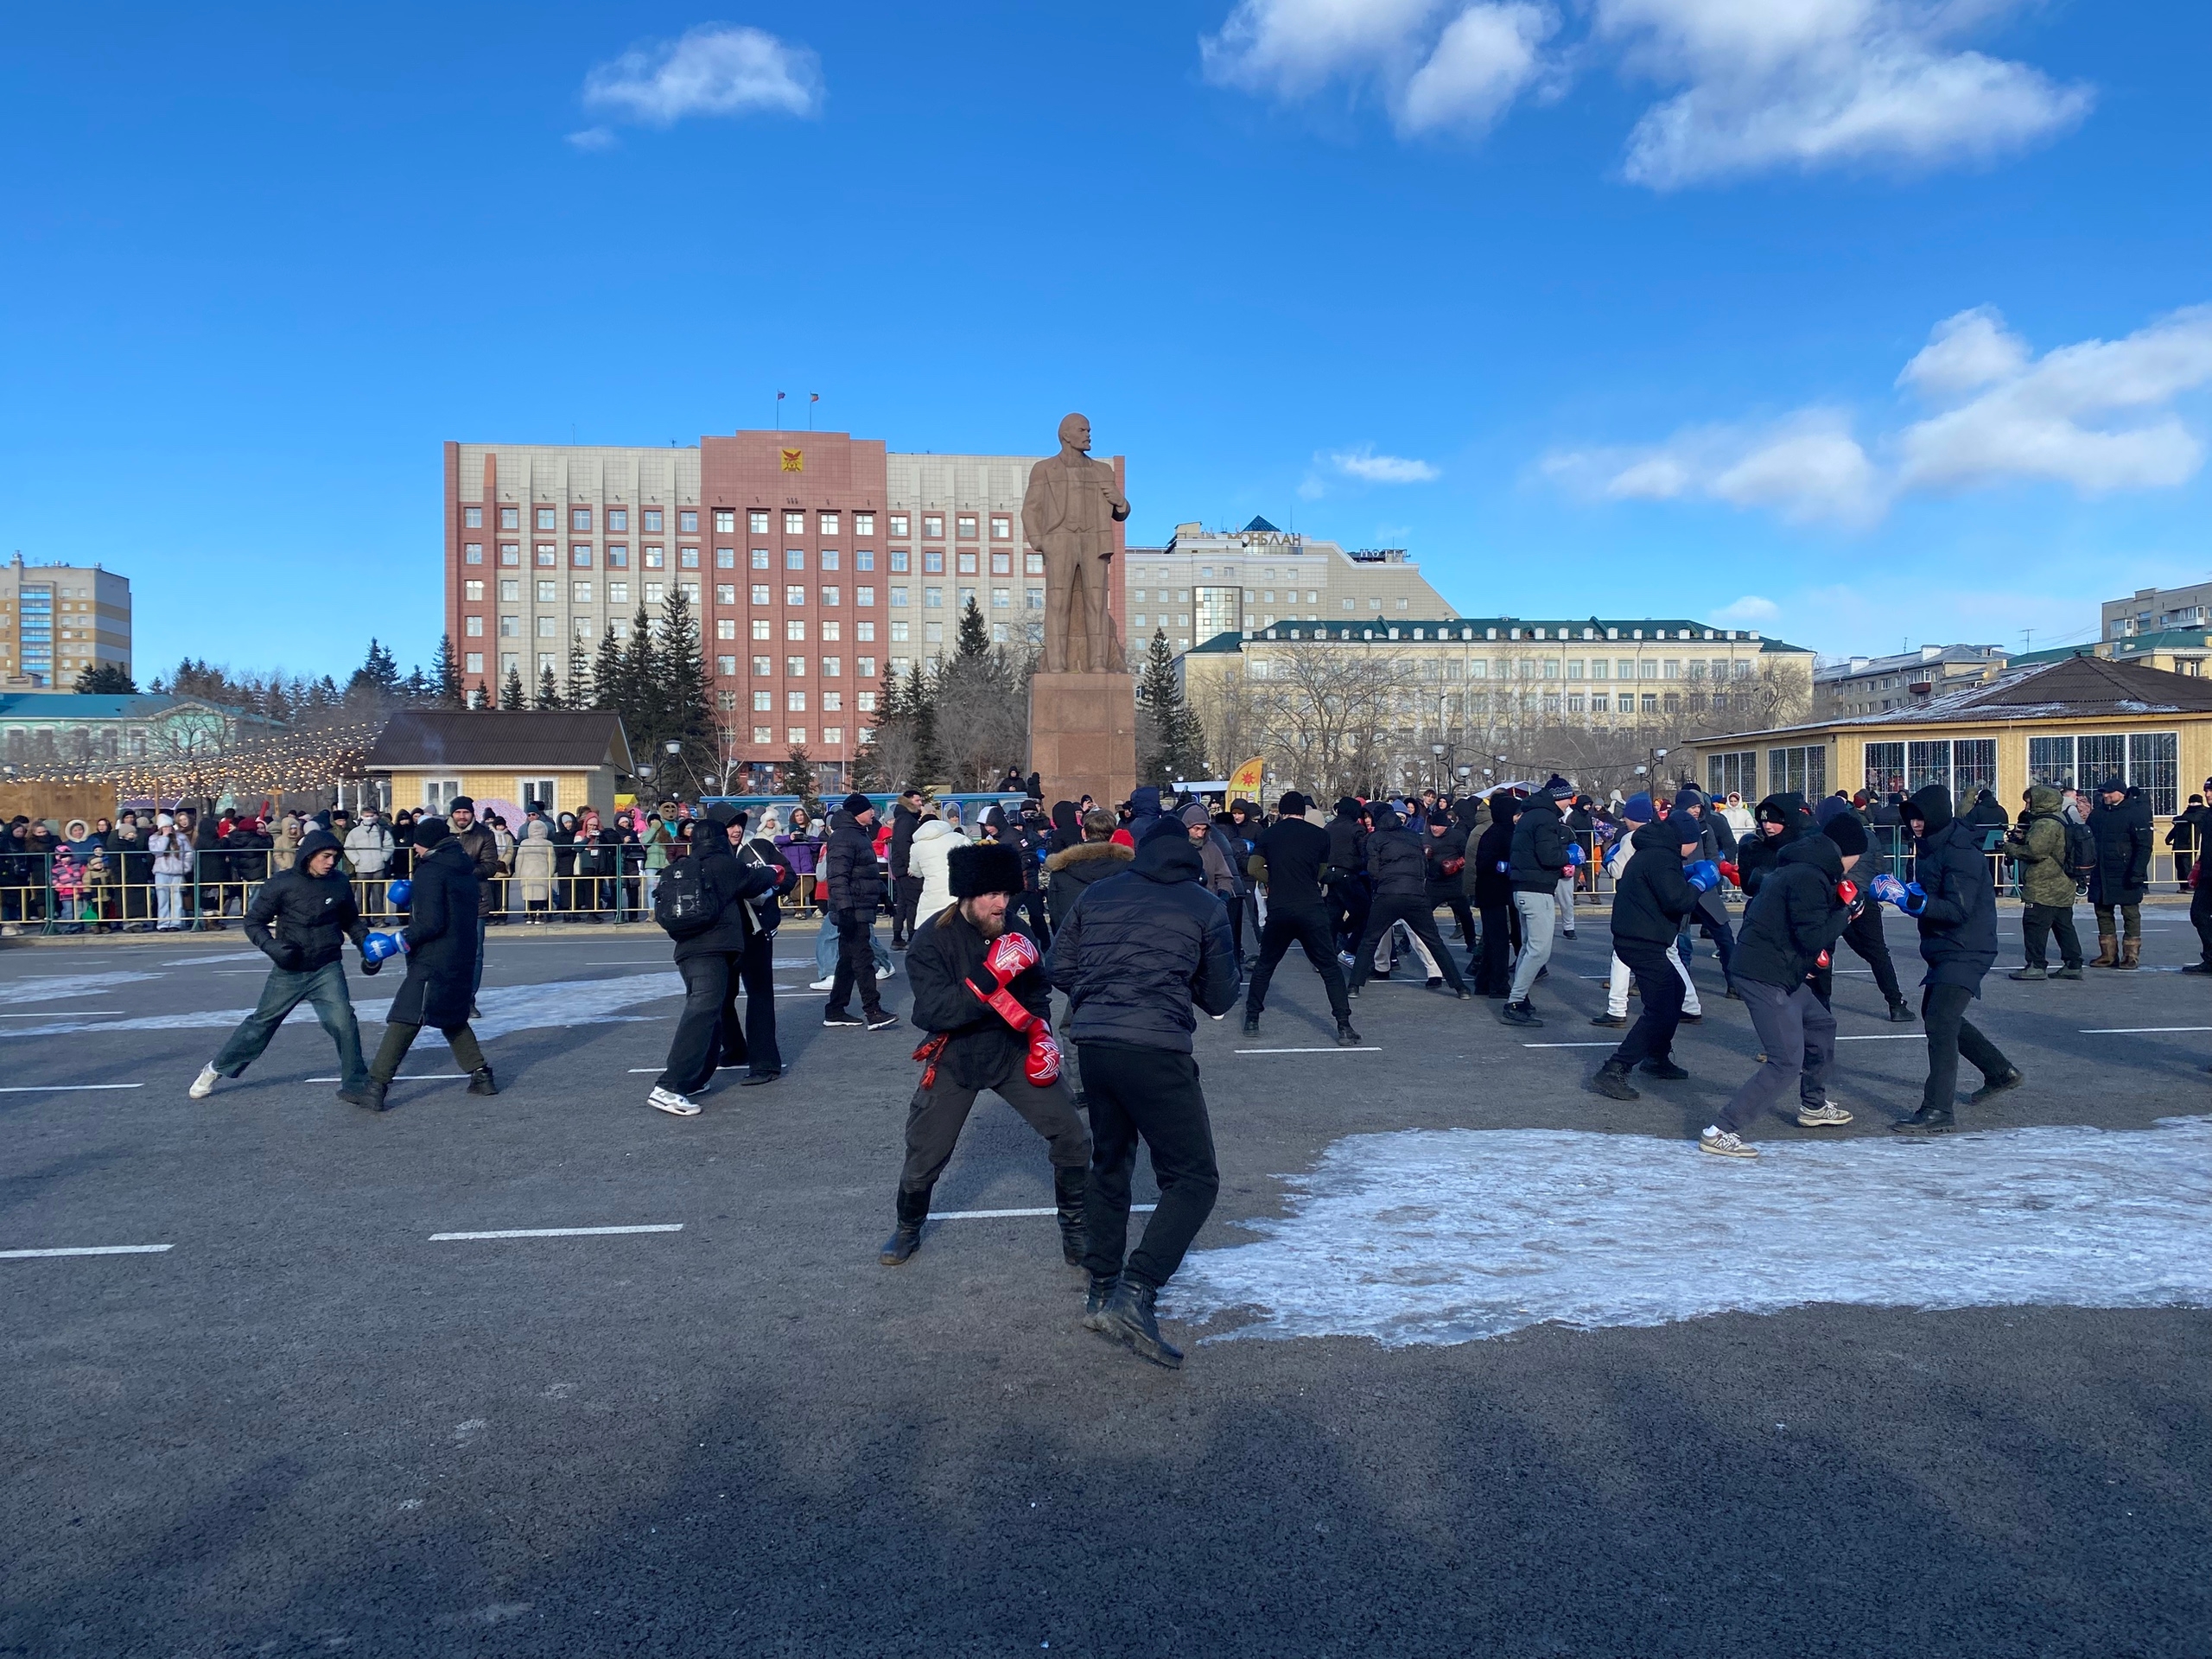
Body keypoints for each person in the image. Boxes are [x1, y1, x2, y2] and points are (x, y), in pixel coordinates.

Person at [1046, 817, 1239, 1369]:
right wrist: (1174, 984)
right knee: (1194, 1178)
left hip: (1095, 1043)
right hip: (1155, 1045)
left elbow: (1060, 966)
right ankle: (1137, 1290)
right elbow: (1221, 994)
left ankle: (1102, 1288)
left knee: (1111, 1163)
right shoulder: (1204, 905)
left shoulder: (1100, 894)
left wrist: (1102, 991)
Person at [880, 840, 1091, 1268]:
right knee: (925, 1152)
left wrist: (1042, 1033)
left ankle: (1076, 1229)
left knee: (1073, 1135)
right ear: (967, 895)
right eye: (992, 894)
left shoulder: (1017, 931)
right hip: (956, 1056)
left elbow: (1036, 992)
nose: (1002, 904)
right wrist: (990, 977)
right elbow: (934, 1012)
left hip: (1011, 1051)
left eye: (1007, 894)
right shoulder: (930, 941)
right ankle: (907, 1227)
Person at [1872, 784, 2024, 1135]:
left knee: (1940, 1021)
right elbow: (1933, 894)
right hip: (1945, 945)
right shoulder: (1930, 846)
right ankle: (2000, 1071)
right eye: (1911, 818)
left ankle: (1938, 1110)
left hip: (1967, 947)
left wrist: (1911, 901)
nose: (1916, 824)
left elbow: (1957, 909)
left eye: (1921, 818)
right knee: (1938, 1015)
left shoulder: (1961, 852)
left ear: (1938, 816)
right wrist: (1908, 891)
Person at [1695, 823, 1854, 1157]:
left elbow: (1790, 927)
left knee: (1821, 1025)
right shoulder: (1809, 878)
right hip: (1764, 976)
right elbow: (1812, 937)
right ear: (1845, 855)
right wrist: (1846, 913)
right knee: (1785, 1061)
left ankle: (1813, 1105)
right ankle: (1721, 1130)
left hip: (1778, 969)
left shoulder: (1795, 870)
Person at [189, 827, 379, 1105]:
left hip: (327, 967)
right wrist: (273, 947)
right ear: (309, 855)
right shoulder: (282, 883)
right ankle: (215, 1069)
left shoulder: (339, 882)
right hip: (290, 969)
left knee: (344, 1023)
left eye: (335, 857)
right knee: (261, 1025)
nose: (331, 862)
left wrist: (368, 949)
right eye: (326, 856)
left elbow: (351, 921)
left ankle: (355, 1084)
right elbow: (253, 922)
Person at [645, 804, 787, 1116]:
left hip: (691, 949)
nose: (735, 831)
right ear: (720, 837)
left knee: (712, 1010)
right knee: (704, 1012)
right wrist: (772, 872)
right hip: (715, 949)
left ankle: (700, 1077)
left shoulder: (683, 866)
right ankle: (671, 1085)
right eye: (728, 828)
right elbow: (762, 878)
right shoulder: (726, 864)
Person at [353, 817, 497, 1110]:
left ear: (427, 843)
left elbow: (431, 922)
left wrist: (397, 940)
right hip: (462, 953)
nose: (415, 849)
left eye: (417, 844)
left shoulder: (430, 871)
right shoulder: (462, 867)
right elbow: (451, 909)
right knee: (451, 1014)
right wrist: (414, 901)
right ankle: (481, 1075)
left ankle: (375, 1086)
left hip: (434, 957)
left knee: (405, 1016)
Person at [1591, 810, 1708, 1100]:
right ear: (1687, 840)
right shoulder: (1662, 857)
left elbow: (1661, 889)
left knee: (1674, 991)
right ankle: (1615, 1068)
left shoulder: (1655, 852)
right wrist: (1699, 883)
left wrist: (1685, 876)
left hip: (1639, 936)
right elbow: (1677, 901)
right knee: (1661, 1006)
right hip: (1642, 940)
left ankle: (1657, 1056)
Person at [1243, 791, 1360, 1046]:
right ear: (1303, 811)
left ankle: (1252, 1018)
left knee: (1265, 965)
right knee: (1329, 968)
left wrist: (1274, 879)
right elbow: (1321, 871)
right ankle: (1344, 1025)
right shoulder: (1320, 835)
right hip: (1311, 907)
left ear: (1282, 811)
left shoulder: (1269, 834)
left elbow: (1253, 868)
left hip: (1280, 907)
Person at [1590, 794, 1704, 1030]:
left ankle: (1616, 1008)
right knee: (1671, 954)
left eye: (1627, 816)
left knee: (1622, 956)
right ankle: (1690, 1004)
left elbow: (1618, 871)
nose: (1624, 819)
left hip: (1638, 908)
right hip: (1660, 910)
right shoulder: (1664, 837)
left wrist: (1609, 860)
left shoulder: (1632, 838)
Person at [1344, 805, 1471, 1001]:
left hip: (1388, 893)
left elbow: (1373, 870)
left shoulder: (1375, 838)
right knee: (1434, 941)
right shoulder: (1413, 836)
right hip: (1415, 894)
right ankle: (1460, 987)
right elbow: (1424, 865)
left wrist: (1382, 883)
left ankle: (1354, 985)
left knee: (1369, 940)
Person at [1814, 797, 1914, 1019]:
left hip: (1832, 898)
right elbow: (1881, 867)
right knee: (1878, 953)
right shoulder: (1866, 835)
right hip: (1864, 897)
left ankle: (1821, 1005)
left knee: (1823, 952)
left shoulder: (1820, 836)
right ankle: (1896, 1003)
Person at [1499, 778, 1576, 1025]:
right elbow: (1548, 856)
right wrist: (1570, 856)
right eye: (1569, 798)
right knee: (1539, 951)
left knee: (1529, 948)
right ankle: (1515, 1001)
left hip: (1524, 887)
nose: (1570, 803)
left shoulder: (1531, 814)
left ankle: (1520, 996)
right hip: (1536, 889)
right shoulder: (1546, 818)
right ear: (1560, 797)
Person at [821, 791, 898, 1031]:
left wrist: (884, 896)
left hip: (860, 906)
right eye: (869, 809)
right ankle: (873, 1011)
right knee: (863, 959)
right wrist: (844, 908)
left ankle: (835, 1010)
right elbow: (838, 876)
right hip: (853, 909)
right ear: (857, 813)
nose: (873, 813)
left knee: (848, 960)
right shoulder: (844, 837)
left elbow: (866, 872)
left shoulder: (858, 834)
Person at [2005, 785, 2086, 981]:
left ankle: (2036, 965)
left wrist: (2010, 848)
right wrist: (2025, 838)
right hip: (2063, 883)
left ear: (2041, 801)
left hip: (2044, 885)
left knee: (2034, 925)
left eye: (2029, 802)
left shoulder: (2045, 824)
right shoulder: (2061, 818)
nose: (2027, 806)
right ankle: (2073, 964)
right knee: (2063, 926)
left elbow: (2035, 852)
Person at [2087, 777, 2154, 969]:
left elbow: (2144, 846)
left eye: (2109, 792)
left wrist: (2137, 872)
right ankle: (2108, 955)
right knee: (2102, 912)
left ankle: (2131, 956)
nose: (2105, 796)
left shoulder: (2135, 813)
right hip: (2101, 872)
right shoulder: (2097, 814)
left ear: (2121, 793)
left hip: (2126, 872)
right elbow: (2088, 841)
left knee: (2130, 913)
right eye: (2103, 792)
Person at [446, 797, 504, 1009]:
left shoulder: (484, 834)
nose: (462, 816)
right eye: (458, 812)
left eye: (466, 812)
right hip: (446, 900)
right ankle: (448, 996)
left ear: (472, 814)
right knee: (448, 951)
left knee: (474, 953)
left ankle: (468, 998)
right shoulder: (442, 833)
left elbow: (490, 866)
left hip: (475, 899)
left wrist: (464, 871)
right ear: (452, 814)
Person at [1044, 807, 1132, 932]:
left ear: (1084, 833)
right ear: (1113, 836)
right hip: (1116, 935)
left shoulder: (1062, 868)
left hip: (1075, 935)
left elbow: (1055, 911)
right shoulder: (1128, 867)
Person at [1180, 801, 1247, 964]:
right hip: (1184, 911)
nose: (1200, 834)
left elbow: (1225, 876)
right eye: (1196, 829)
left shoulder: (1212, 848)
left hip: (1209, 910)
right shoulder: (1178, 848)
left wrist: (1223, 896)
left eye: (1203, 829)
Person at [1471, 791, 1519, 996]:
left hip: (1494, 892)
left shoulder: (1499, 831)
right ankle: (1499, 983)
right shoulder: (1499, 833)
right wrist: (1506, 867)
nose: (1517, 817)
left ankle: (1484, 981)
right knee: (1499, 941)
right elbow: (1485, 863)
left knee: (1493, 940)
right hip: (1494, 892)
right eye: (1515, 813)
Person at [1322, 797, 1371, 958]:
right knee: (1365, 911)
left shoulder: (1328, 827)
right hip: (1349, 874)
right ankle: (1349, 943)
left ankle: (1326, 956)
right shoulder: (1356, 829)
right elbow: (1363, 852)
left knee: (1333, 916)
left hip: (1329, 874)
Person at [910, 809, 965, 924]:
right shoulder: (958, 838)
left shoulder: (917, 846)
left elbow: (916, 872)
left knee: (931, 926)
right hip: (957, 890)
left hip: (932, 894)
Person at [889, 786, 927, 948]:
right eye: (917, 800)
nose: (920, 804)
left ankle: (898, 937)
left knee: (903, 903)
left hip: (901, 867)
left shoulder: (904, 818)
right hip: (907, 868)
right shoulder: (906, 819)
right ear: (909, 801)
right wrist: (911, 866)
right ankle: (912, 936)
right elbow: (903, 844)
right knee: (913, 903)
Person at [149, 811, 192, 931]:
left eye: (169, 826)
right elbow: (157, 851)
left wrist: (185, 866)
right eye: (165, 827)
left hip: (177, 872)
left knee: (176, 898)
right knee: (162, 898)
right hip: (161, 871)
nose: (167, 828)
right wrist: (164, 837)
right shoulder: (154, 838)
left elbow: (189, 853)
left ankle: (175, 923)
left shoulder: (181, 837)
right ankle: (163, 923)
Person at [344, 806, 393, 886]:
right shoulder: (354, 832)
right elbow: (348, 847)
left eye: (371, 816)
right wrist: (356, 860)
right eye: (367, 816)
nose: (369, 818)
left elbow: (389, 845)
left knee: (378, 891)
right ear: (362, 817)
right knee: (362, 891)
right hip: (362, 868)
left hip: (379, 867)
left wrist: (383, 858)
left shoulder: (382, 831)